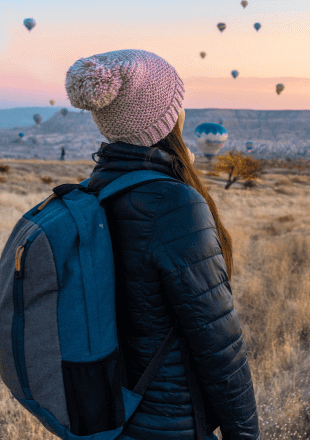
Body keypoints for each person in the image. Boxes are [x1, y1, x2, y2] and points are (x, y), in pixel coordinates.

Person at [65, 49, 260, 440]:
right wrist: (245, 433)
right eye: (178, 103)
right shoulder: (173, 203)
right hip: (169, 421)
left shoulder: (94, 191)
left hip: (107, 414)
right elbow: (218, 341)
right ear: (168, 119)